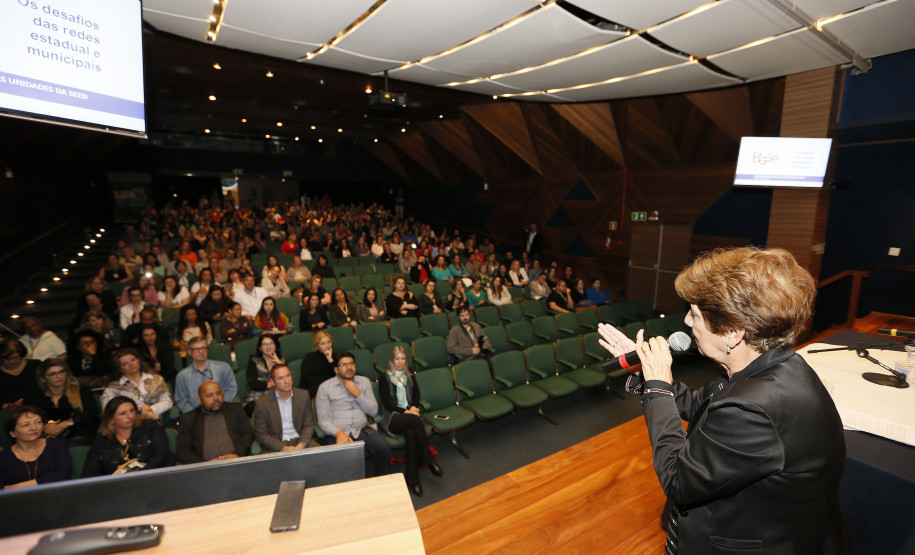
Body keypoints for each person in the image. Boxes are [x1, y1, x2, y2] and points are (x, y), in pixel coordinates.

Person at [597, 247, 848, 553]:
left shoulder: (754, 407)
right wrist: (645, 374)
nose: (687, 322)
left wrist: (659, 388)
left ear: (732, 332)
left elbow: (679, 479)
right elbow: (695, 403)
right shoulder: (771, 367)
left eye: (695, 313)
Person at [376, 346, 442, 497]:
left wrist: (413, 407)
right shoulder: (384, 377)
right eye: (397, 359)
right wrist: (406, 411)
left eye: (403, 359)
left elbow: (417, 394)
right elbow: (387, 403)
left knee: (411, 435)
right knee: (414, 421)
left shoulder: (409, 375)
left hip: (409, 417)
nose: (400, 362)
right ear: (392, 360)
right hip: (392, 417)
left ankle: (413, 480)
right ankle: (427, 459)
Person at [316, 352, 389, 477]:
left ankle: (378, 480)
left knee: (383, 447)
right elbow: (323, 420)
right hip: (337, 432)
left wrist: (358, 394)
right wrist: (338, 433)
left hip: (361, 429)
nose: (349, 367)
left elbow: (373, 411)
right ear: (336, 369)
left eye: (351, 364)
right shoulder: (325, 388)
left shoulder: (364, 382)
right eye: (344, 364)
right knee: (342, 458)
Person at [82, 396, 171, 477]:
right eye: (123, 413)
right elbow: (89, 473)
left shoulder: (150, 426)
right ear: (111, 419)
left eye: (132, 410)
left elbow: (163, 455)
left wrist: (140, 471)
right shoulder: (101, 441)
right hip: (115, 487)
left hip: (150, 480)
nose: (130, 416)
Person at [176, 381, 254, 464]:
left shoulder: (235, 409)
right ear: (199, 400)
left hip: (236, 462)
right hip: (206, 469)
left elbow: (248, 433)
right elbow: (182, 451)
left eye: (218, 393)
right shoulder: (189, 418)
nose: (215, 398)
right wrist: (204, 463)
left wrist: (237, 454)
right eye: (209, 395)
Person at [27, 359, 100, 445]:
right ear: (43, 379)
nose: (59, 376)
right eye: (52, 374)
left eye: (62, 372)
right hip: (45, 437)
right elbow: (26, 420)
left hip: (78, 436)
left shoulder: (81, 391)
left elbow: (92, 416)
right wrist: (44, 427)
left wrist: (66, 424)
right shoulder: (35, 397)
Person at [0, 406, 71, 488]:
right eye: (26, 425)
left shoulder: (56, 444)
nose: (34, 428)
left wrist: (15, 487)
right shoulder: (3, 457)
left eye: (38, 422)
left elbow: (63, 475)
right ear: (12, 433)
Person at [252, 365, 314, 453]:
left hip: (300, 441)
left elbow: (309, 425)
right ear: (272, 382)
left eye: (288, 376)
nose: (286, 381)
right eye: (280, 378)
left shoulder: (303, 395)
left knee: (322, 457)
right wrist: (283, 448)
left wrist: (302, 444)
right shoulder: (262, 403)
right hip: (276, 446)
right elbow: (261, 434)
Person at [101, 349, 173, 420]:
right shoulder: (113, 388)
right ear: (120, 368)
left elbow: (167, 401)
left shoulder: (157, 380)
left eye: (133, 360)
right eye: (125, 364)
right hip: (127, 424)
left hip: (154, 420)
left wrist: (150, 410)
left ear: (139, 360)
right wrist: (139, 412)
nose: (131, 364)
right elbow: (108, 411)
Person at [174, 337, 237, 414]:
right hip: (196, 417)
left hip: (222, 411)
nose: (201, 351)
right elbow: (182, 401)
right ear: (190, 352)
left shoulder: (223, 368)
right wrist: (195, 416)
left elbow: (231, 389)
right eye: (197, 349)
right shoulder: (182, 376)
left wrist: (221, 407)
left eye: (204, 348)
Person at [244, 334, 286, 412]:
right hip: (256, 397)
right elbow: (252, 383)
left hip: (276, 396)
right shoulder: (254, 360)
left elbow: (286, 381)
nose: (268, 346)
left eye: (271, 343)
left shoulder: (282, 361)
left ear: (276, 345)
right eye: (265, 344)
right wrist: (270, 384)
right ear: (260, 348)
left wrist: (280, 364)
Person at [1, 338, 42, 408]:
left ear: (22, 354)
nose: (12, 361)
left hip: (40, 405)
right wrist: (8, 405)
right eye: (6, 358)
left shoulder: (36, 365)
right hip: (9, 412)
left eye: (15, 357)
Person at [299, 331, 335, 398]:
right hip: (312, 387)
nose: (327, 345)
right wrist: (327, 380)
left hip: (330, 387)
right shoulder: (309, 357)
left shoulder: (334, 356)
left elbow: (338, 374)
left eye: (329, 342)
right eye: (323, 343)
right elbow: (307, 377)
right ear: (317, 345)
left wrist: (330, 360)